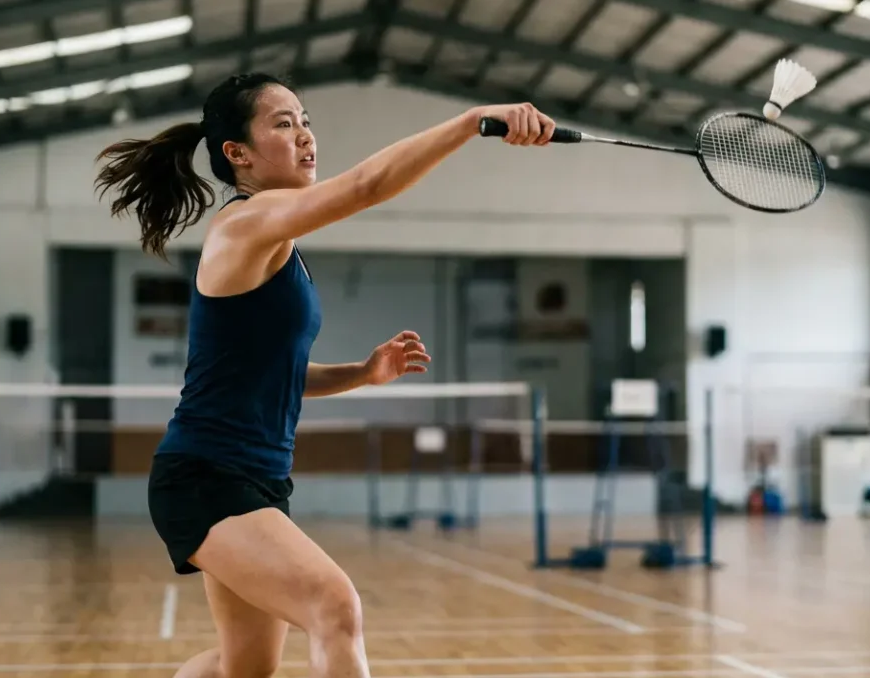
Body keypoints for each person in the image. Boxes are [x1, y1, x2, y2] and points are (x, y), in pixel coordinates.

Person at [93, 71, 556, 678]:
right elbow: (366, 185)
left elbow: (276, 371)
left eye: (306, 120)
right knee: (334, 606)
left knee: (243, 669)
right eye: (283, 124)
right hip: (205, 476)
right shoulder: (246, 225)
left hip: (258, 479)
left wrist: (362, 373)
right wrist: (473, 121)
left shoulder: (278, 240)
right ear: (239, 155)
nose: (306, 135)